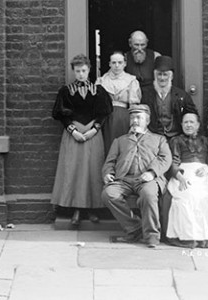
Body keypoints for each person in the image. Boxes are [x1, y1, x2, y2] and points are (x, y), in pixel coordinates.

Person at [51, 54, 113, 227]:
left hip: (93, 135)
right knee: (75, 170)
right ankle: (76, 209)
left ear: (89, 70)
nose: (80, 74)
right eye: (77, 71)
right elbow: (61, 115)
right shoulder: (66, 91)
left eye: (84, 71)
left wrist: (94, 130)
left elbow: (104, 113)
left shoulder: (98, 91)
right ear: (73, 71)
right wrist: (73, 131)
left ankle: (93, 208)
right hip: (74, 136)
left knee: (93, 170)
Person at [101, 104, 172, 248]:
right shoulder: (120, 140)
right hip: (124, 179)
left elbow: (165, 158)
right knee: (108, 194)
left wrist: (152, 173)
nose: (135, 121)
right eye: (132, 117)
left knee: (148, 194)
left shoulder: (159, 139)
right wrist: (108, 173)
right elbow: (110, 161)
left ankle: (152, 235)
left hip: (148, 180)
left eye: (139, 118)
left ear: (147, 120)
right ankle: (134, 227)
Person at [165, 112, 208, 249]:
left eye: (191, 122)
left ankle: (205, 236)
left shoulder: (207, 141)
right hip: (183, 173)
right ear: (181, 125)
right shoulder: (176, 141)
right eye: (185, 122)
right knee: (187, 196)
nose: (188, 125)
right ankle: (187, 237)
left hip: (204, 173)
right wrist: (179, 176)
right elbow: (173, 161)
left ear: (198, 125)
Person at [97, 51, 142, 156]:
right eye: (114, 63)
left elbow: (134, 105)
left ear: (125, 64)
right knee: (107, 145)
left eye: (120, 62)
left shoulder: (131, 80)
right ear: (109, 64)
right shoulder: (102, 81)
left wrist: (134, 123)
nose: (117, 66)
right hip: (106, 117)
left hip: (124, 117)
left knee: (124, 147)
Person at [143, 55, 198, 139]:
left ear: (171, 76)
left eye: (165, 75)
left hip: (176, 136)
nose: (162, 78)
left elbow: (193, 115)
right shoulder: (146, 94)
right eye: (159, 74)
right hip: (153, 137)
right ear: (155, 76)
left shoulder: (182, 95)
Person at [125, 30, 160, 104]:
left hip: (152, 98)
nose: (140, 49)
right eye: (136, 45)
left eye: (143, 45)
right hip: (131, 98)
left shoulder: (155, 57)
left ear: (147, 43)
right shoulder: (124, 59)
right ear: (130, 43)